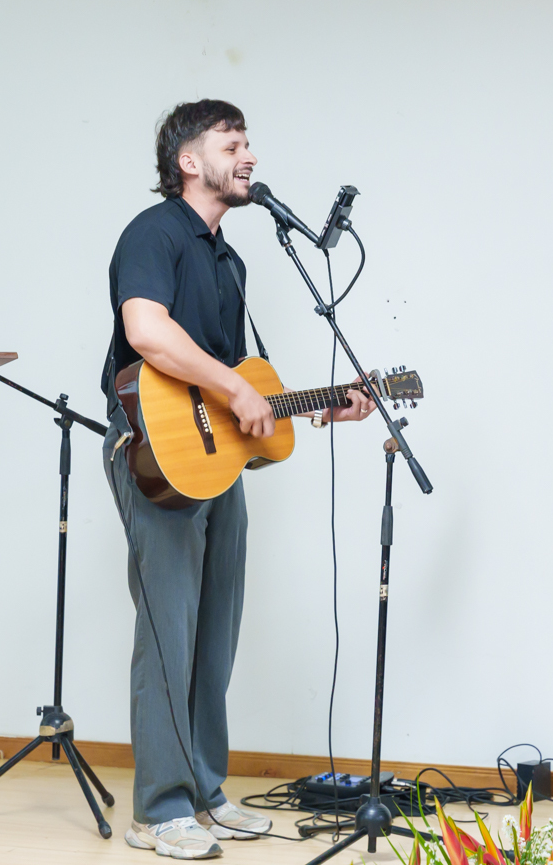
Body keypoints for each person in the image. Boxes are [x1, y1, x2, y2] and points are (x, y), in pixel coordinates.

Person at [102, 100, 375, 859]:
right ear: (190, 161)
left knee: (215, 634)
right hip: (151, 456)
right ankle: (158, 811)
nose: (249, 155)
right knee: (170, 633)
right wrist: (234, 389)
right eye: (233, 143)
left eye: (249, 143)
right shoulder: (153, 233)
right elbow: (146, 332)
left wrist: (318, 405)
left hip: (212, 466)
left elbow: (240, 400)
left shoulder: (233, 260)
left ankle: (204, 791)